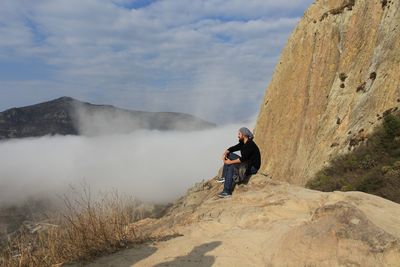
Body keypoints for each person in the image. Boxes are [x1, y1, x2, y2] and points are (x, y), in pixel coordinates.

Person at [217, 127, 261, 198]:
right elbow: (233, 148)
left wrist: (230, 162)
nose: (238, 136)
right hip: (246, 162)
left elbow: (243, 159)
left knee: (232, 167)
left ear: (244, 135)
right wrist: (226, 152)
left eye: (239, 134)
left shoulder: (250, 145)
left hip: (252, 167)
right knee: (229, 154)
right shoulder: (243, 143)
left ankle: (227, 192)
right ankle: (224, 177)